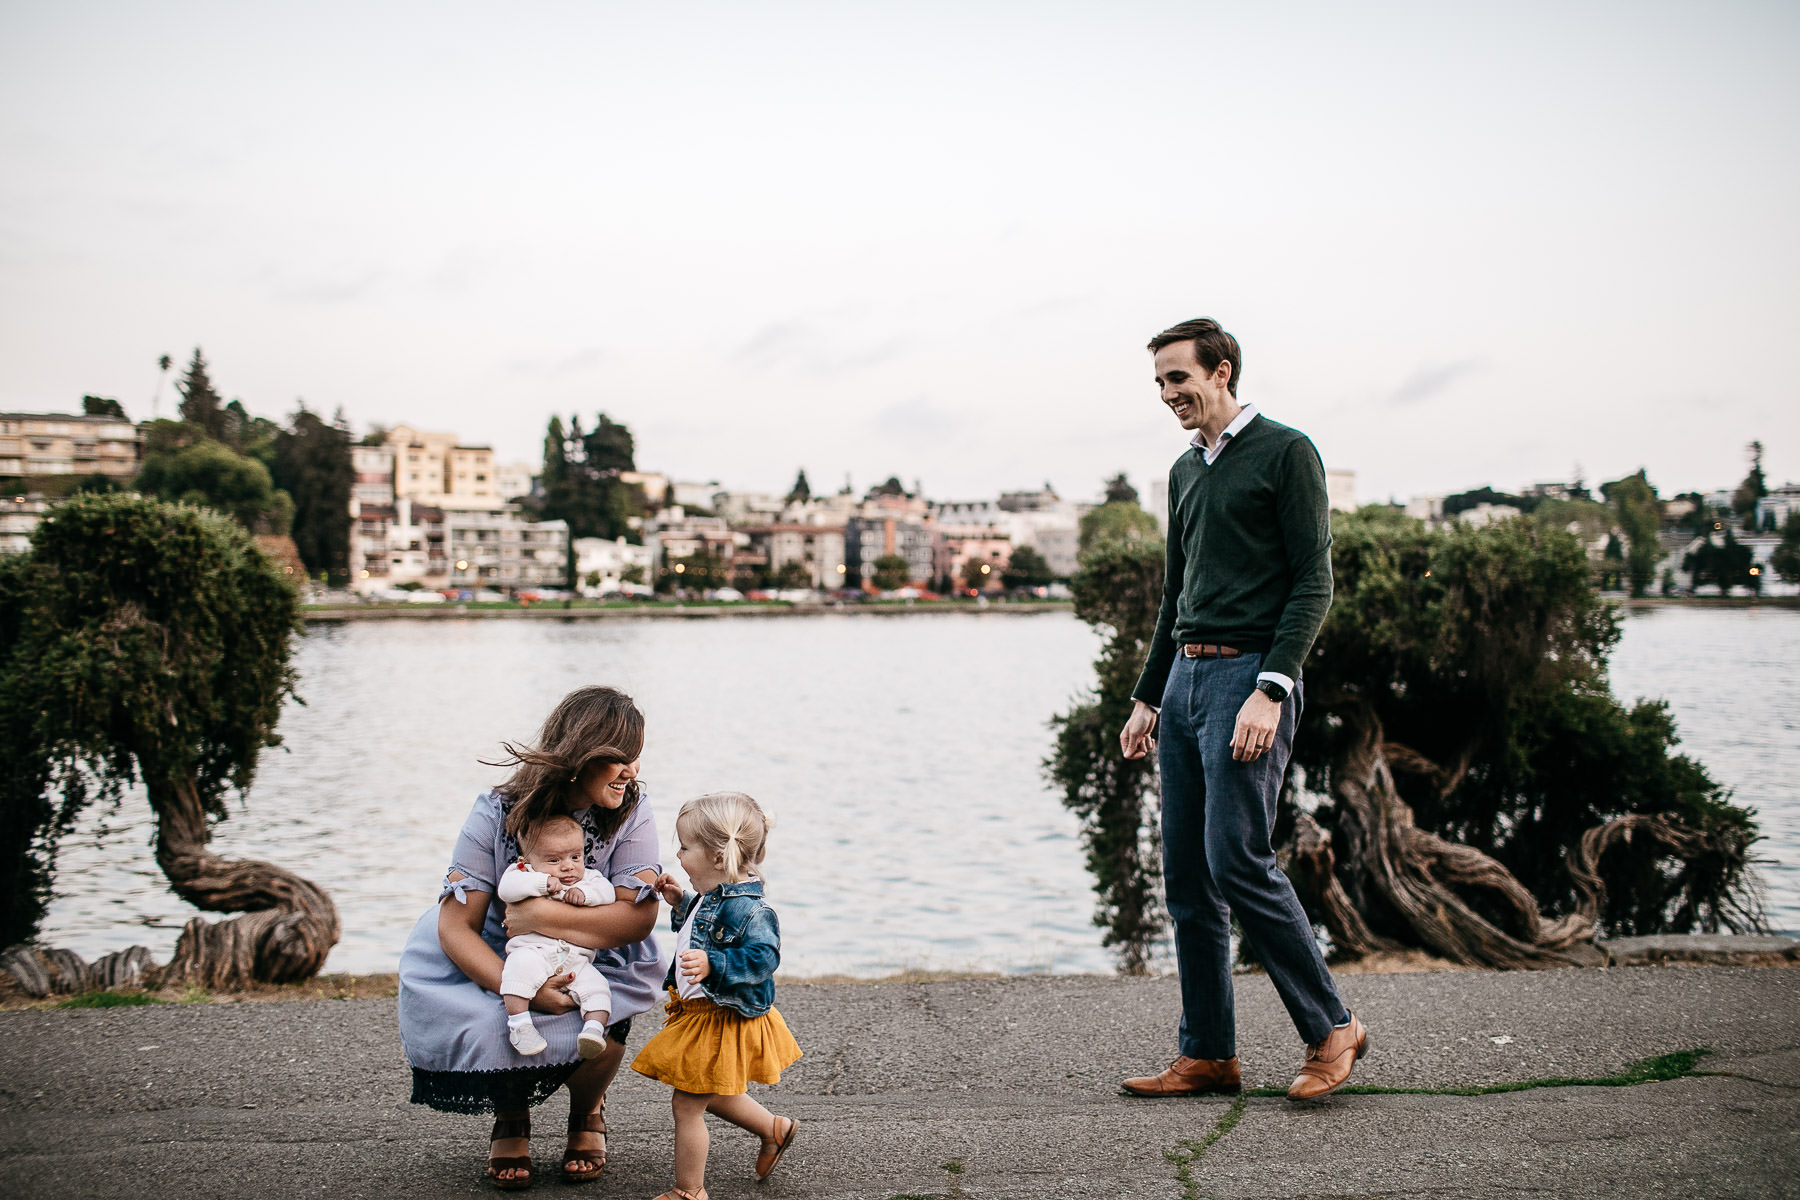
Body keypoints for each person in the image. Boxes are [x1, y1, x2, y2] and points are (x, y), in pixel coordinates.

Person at [1117, 317, 1369, 1102]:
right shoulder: (1184, 472)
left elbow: (1312, 583)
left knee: (1235, 857)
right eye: (1158, 382)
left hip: (1248, 683)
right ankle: (1208, 1054)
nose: (1167, 395)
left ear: (1221, 372)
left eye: (1178, 379)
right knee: (1189, 877)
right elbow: (1175, 599)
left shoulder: (1287, 453)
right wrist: (1147, 696)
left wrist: (1272, 686)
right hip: (1187, 684)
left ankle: (1332, 1027)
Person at [398, 686, 668, 1190]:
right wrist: (517, 987)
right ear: (581, 756)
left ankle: (587, 1110)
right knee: (496, 1020)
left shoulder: (632, 808)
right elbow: (457, 925)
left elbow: (634, 921)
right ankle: (512, 1115)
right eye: (619, 760)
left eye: (636, 758)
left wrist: (538, 916)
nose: (632, 771)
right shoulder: (495, 811)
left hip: (597, 950)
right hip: (505, 951)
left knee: (598, 1021)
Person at [632, 792, 802, 1200]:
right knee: (716, 1090)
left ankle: (690, 1192)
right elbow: (705, 926)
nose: (678, 853)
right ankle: (773, 1129)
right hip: (701, 1011)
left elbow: (763, 957)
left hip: (723, 1016)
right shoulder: (713, 896)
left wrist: (715, 965)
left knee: (687, 1104)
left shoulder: (753, 909)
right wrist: (681, 904)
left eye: (685, 847)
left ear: (716, 855)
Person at [495, 814, 616, 1059]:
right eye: (554, 860)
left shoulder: (589, 879)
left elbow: (608, 893)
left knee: (598, 988)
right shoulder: (522, 873)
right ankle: (520, 1025)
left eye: (575, 857)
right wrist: (542, 882)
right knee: (517, 971)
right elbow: (506, 889)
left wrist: (585, 894)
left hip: (575, 960)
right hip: (533, 952)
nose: (568, 866)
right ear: (526, 860)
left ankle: (593, 1030)